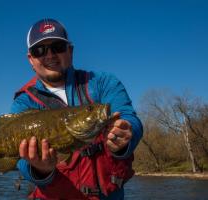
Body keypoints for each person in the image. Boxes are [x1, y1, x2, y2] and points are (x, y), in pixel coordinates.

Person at [10, 18, 143, 200]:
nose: (49, 55)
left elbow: (129, 118)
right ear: (31, 59)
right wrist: (39, 169)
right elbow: (20, 161)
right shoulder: (23, 103)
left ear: (70, 51)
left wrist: (127, 133)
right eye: (39, 50)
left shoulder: (103, 82)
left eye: (57, 46)